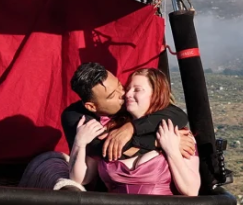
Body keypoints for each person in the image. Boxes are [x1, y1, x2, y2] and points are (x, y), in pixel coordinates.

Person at [70, 68, 200, 196]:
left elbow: (191, 190)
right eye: (128, 88)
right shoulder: (111, 131)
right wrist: (79, 143)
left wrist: (172, 151)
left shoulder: (177, 134)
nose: (127, 94)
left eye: (137, 90)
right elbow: (81, 179)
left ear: (156, 94)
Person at [60, 62, 194, 164]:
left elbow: (177, 115)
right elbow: (107, 149)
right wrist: (160, 142)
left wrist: (131, 128)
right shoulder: (76, 117)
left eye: (120, 85)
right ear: (92, 106)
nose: (123, 94)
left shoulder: (131, 104)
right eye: (112, 95)